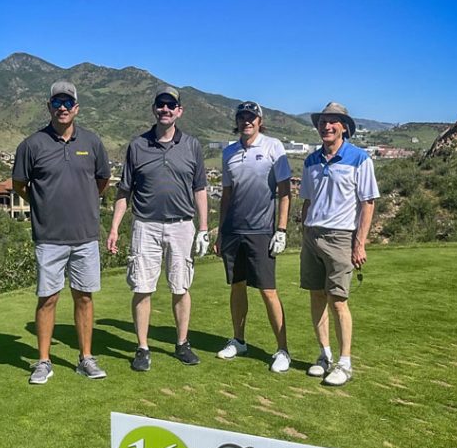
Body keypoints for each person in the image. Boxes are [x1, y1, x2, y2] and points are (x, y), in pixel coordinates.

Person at [12, 79, 111, 383]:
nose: (63, 107)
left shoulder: (92, 143)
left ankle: (86, 358)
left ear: (77, 107)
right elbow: (20, 186)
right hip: (49, 238)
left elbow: (102, 181)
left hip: (85, 237)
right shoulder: (31, 145)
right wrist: (43, 204)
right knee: (48, 298)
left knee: (84, 297)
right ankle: (43, 361)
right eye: (57, 102)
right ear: (49, 107)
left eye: (68, 102)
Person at [107, 86, 209, 371]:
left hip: (181, 225)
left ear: (179, 111)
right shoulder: (137, 145)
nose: (165, 109)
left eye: (170, 105)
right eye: (160, 104)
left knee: (181, 286)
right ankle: (142, 347)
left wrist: (203, 228)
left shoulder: (192, 146)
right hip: (145, 225)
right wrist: (114, 228)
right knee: (142, 287)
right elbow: (125, 191)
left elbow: (200, 189)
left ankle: (182, 343)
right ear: (154, 108)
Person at [299, 102, 379, 386]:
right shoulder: (311, 161)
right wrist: (303, 231)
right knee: (316, 297)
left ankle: (344, 363)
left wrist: (360, 244)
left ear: (344, 126)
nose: (326, 126)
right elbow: (308, 201)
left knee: (338, 301)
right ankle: (324, 356)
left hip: (341, 236)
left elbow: (367, 203)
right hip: (312, 235)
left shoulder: (359, 158)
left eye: (333, 121)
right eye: (323, 121)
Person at [215, 101, 292, 372]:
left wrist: (281, 230)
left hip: (262, 231)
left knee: (268, 291)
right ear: (237, 121)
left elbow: (285, 192)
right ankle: (238, 339)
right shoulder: (229, 153)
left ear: (260, 121)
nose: (246, 121)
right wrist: (220, 231)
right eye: (242, 117)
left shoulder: (273, 147)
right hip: (234, 231)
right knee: (236, 287)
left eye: (251, 117)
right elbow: (226, 195)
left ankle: (282, 349)